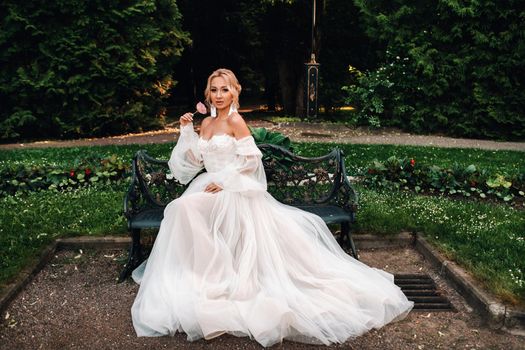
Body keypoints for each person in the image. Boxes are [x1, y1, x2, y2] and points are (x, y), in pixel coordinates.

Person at [131, 68, 413, 347]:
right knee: (182, 208)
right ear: (208, 94)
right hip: (210, 186)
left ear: (234, 92)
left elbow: (251, 162)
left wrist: (226, 181)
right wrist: (185, 132)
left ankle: (216, 277)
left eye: (224, 89)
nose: (219, 95)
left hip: (235, 189)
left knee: (184, 208)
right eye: (214, 90)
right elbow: (192, 163)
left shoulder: (236, 121)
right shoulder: (206, 124)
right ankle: (204, 274)